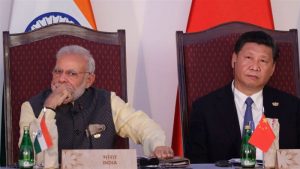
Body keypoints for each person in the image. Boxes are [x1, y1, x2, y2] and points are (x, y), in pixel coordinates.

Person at [18, 45, 173, 168]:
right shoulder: (31, 106)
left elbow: (143, 126)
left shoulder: (107, 101)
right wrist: (49, 107)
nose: (62, 79)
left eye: (71, 74)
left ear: (89, 80)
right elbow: (33, 155)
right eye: (58, 72)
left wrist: (158, 145)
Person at [186, 31, 300, 163]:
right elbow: (196, 163)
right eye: (248, 58)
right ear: (234, 59)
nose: (255, 67)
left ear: (273, 68)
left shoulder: (292, 107)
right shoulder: (204, 108)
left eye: (263, 60)